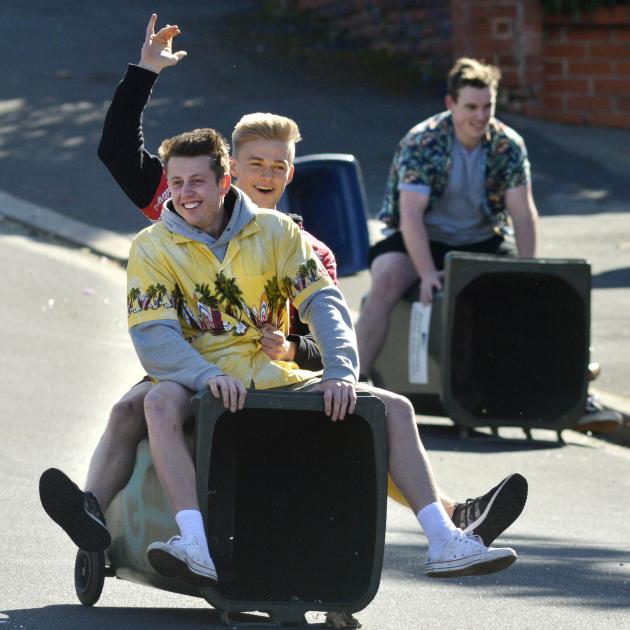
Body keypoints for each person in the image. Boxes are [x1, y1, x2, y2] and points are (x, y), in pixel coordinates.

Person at [39, 16, 527, 564]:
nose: (266, 175)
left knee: (370, 409)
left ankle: (448, 521)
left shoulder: (299, 244)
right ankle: (95, 521)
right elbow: (117, 150)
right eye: (255, 164)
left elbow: (321, 332)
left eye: (279, 165)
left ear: (291, 175)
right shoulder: (176, 203)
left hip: (270, 373)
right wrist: (145, 73)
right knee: (138, 406)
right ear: (232, 171)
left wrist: (301, 351)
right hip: (188, 361)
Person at [126, 124, 520, 585]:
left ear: (222, 182)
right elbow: (153, 335)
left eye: (197, 181)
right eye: (177, 183)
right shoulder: (150, 246)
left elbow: (324, 303)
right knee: (152, 402)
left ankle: (446, 538)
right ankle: (194, 544)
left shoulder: (276, 231)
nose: (186, 193)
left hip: (272, 372)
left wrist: (340, 371)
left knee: (394, 407)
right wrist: (205, 375)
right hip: (203, 379)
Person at [354, 57, 621, 432]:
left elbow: (522, 213)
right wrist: (428, 273)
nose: (480, 117)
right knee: (385, 281)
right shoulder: (424, 140)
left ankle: (577, 394)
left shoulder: (508, 145)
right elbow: (410, 216)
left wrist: (530, 272)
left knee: (551, 291)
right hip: (424, 238)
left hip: (483, 237)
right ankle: (353, 385)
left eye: (487, 107)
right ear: (451, 104)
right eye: (471, 107)